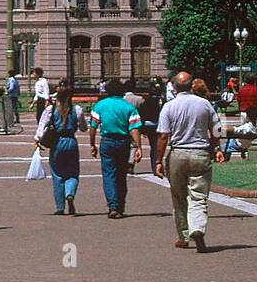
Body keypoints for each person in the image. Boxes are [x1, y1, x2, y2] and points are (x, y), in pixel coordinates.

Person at [156, 71, 225, 252]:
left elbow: (164, 136)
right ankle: (198, 228)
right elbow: (217, 129)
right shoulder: (205, 104)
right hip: (200, 153)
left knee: (179, 198)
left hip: (177, 153)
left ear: (175, 86)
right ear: (191, 85)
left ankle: (184, 236)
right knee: (198, 196)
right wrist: (216, 147)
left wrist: (158, 160)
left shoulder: (169, 107)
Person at [88, 79, 143, 218]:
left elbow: (93, 127)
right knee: (121, 175)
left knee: (109, 175)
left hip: (107, 141)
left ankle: (112, 206)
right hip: (123, 142)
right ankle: (120, 205)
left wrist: (92, 144)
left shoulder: (100, 105)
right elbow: (134, 128)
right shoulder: (128, 107)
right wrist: (138, 147)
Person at [36, 80, 82, 215]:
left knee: (57, 174)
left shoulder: (51, 109)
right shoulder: (76, 109)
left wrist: (38, 140)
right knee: (72, 172)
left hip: (57, 142)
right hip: (71, 141)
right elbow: (84, 128)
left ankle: (60, 207)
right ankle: (70, 193)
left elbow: (41, 126)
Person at [138, 85, 164, 174]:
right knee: (156, 147)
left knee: (153, 147)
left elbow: (142, 114)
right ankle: (156, 165)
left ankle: (155, 166)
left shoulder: (145, 102)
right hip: (158, 125)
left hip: (148, 125)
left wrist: (142, 129)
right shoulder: (160, 102)